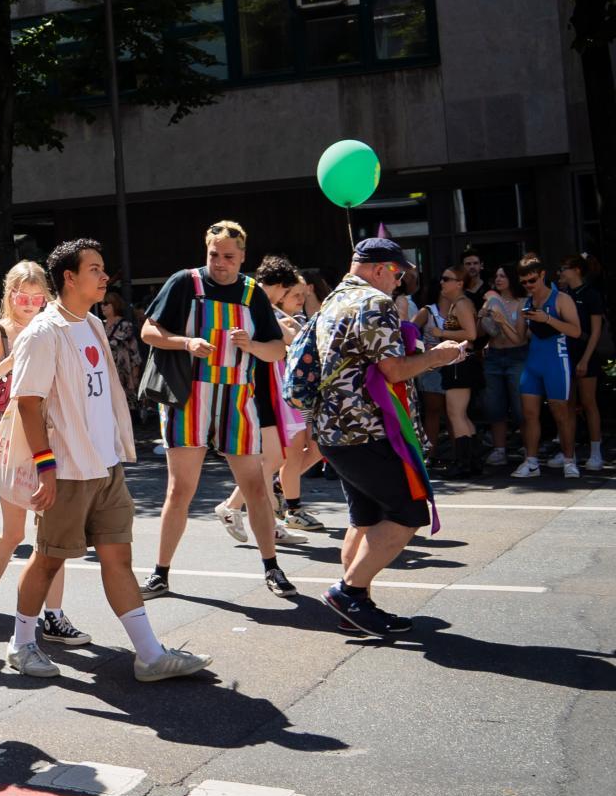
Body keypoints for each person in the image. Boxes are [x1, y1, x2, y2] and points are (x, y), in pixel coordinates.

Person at [4, 241, 212, 682]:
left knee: (118, 556)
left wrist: (116, 451)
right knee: (47, 559)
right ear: (69, 278)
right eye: (94, 270)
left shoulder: (94, 324)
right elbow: (26, 403)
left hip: (107, 467)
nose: (104, 277)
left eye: (103, 269)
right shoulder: (43, 333)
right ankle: (21, 645)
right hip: (66, 470)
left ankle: (149, 655)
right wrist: (45, 468)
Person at [299, 238, 468, 637]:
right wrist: (440, 355)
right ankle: (349, 593)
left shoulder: (333, 301)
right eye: (397, 273)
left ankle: (356, 608)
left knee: (364, 518)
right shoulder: (373, 303)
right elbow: (393, 370)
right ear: (378, 269)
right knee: (408, 513)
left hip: (336, 432)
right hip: (367, 431)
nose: (399, 281)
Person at [139, 221, 294, 600]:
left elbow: (277, 349)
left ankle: (272, 567)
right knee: (180, 490)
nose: (220, 263)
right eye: (214, 254)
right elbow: (148, 332)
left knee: (255, 486)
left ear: (242, 257)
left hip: (238, 398)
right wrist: (185, 342)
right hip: (189, 397)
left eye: (228, 256)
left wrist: (253, 346)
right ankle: (160, 573)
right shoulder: (183, 283)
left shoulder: (253, 292)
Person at [0, 261, 80, 643]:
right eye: (22, 296)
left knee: (53, 534)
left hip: (53, 432)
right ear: (10, 295)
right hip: (15, 434)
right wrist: (12, 361)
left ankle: (55, 614)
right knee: (13, 533)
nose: (30, 303)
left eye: (36, 296)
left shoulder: (53, 329)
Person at [219, 257, 326, 535]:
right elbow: (289, 336)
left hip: (268, 384)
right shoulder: (255, 302)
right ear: (278, 286)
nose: (285, 297)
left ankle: (236, 510)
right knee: (269, 458)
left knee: (272, 458)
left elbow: (292, 334)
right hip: (259, 385)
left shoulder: (261, 304)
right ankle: (263, 522)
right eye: (288, 291)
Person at [512, 256, 581, 479]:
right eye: (524, 282)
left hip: (556, 361)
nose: (528, 286)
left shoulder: (561, 298)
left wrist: (547, 319)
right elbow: (519, 339)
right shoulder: (527, 303)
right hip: (533, 363)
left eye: (531, 280)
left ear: (542, 275)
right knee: (529, 414)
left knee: (561, 412)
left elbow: (576, 331)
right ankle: (531, 462)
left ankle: (569, 459)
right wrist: (502, 321)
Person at [413, 265, 483, 478]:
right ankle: (471, 461)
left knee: (456, 414)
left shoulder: (461, 304)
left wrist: (441, 332)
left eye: (447, 279)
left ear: (459, 283)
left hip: (461, 362)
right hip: (459, 362)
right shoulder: (459, 304)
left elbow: (471, 334)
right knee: (459, 414)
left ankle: (464, 464)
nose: (442, 283)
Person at [559, 255, 606, 473]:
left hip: (586, 351)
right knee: (567, 403)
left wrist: (586, 358)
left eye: (565, 269)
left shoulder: (591, 294)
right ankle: (569, 451)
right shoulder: (564, 295)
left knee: (589, 402)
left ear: (577, 270)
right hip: (565, 352)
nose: (561, 273)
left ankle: (596, 452)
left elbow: (596, 330)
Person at [480, 264, 529, 467]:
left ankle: (529, 449)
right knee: (495, 406)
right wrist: (482, 314)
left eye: (503, 275)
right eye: (496, 276)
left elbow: (520, 338)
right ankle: (499, 450)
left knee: (521, 407)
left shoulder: (523, 303)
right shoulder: (492, 301)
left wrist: (501, 319)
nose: (499, 279)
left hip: (517, 356)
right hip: (493, 355)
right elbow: (480, 332)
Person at [99, 291, 143, 418]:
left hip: (122, 374)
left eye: (106, 303)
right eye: (101, 303)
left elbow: (134, 352)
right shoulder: (99, 325)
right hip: (103, 372)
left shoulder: (125, 325)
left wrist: (135, 376)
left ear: (115, 304)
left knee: (123, 410)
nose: (102, 306)